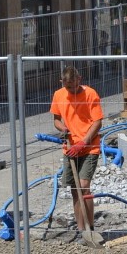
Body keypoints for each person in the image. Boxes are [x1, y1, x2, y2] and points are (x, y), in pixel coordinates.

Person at [50, 67, 104, 236]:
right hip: (70, 148)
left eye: (74, 86)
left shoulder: (90, 94)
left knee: (84, 187)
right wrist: (62, 128)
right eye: (68, 88)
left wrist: (84, 142)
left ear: (79, 79)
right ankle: (82, 230)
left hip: (89, 147)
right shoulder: (59, 95)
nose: (72, 90)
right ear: (62, 83)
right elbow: (56, 120)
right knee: (75, 190)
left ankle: (91, 228)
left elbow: (97, 122)